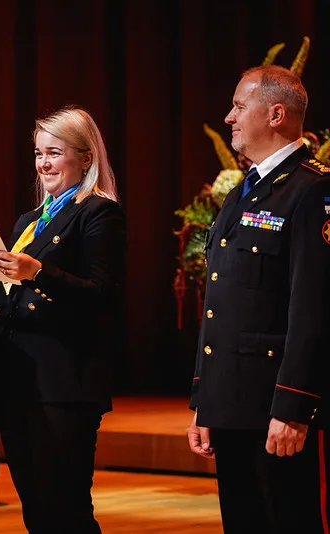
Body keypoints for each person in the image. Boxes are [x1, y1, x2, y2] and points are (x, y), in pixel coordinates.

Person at [187, 65, 330, 533]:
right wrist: (205, 403)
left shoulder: (313, 190)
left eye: (238, 106)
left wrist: (293, 407)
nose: (228, 117)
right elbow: (220, 306)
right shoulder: (242, 194)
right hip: (233, 407)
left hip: (277, 411)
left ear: (275, 114)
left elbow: (313, 310)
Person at [0, 106, 126, 533]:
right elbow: (4, 296)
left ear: (85, 157)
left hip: (64, 387)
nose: (43, 163)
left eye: (54, 153)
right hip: (18, 382)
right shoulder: (29, 222)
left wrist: (37, 272)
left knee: (66, 511)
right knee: (37, 512)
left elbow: (102, 295)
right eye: (39, 153)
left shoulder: (99, 212)